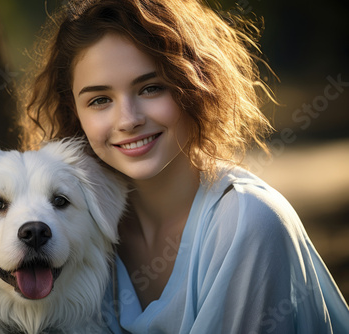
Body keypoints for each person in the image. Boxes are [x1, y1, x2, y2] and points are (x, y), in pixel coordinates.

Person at [20, 0, 349, 332]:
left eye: (151, 88)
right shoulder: (76, 226)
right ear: (74, 112)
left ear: (194, 85)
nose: (128, 120)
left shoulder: (248, 224)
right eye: (100, 100)